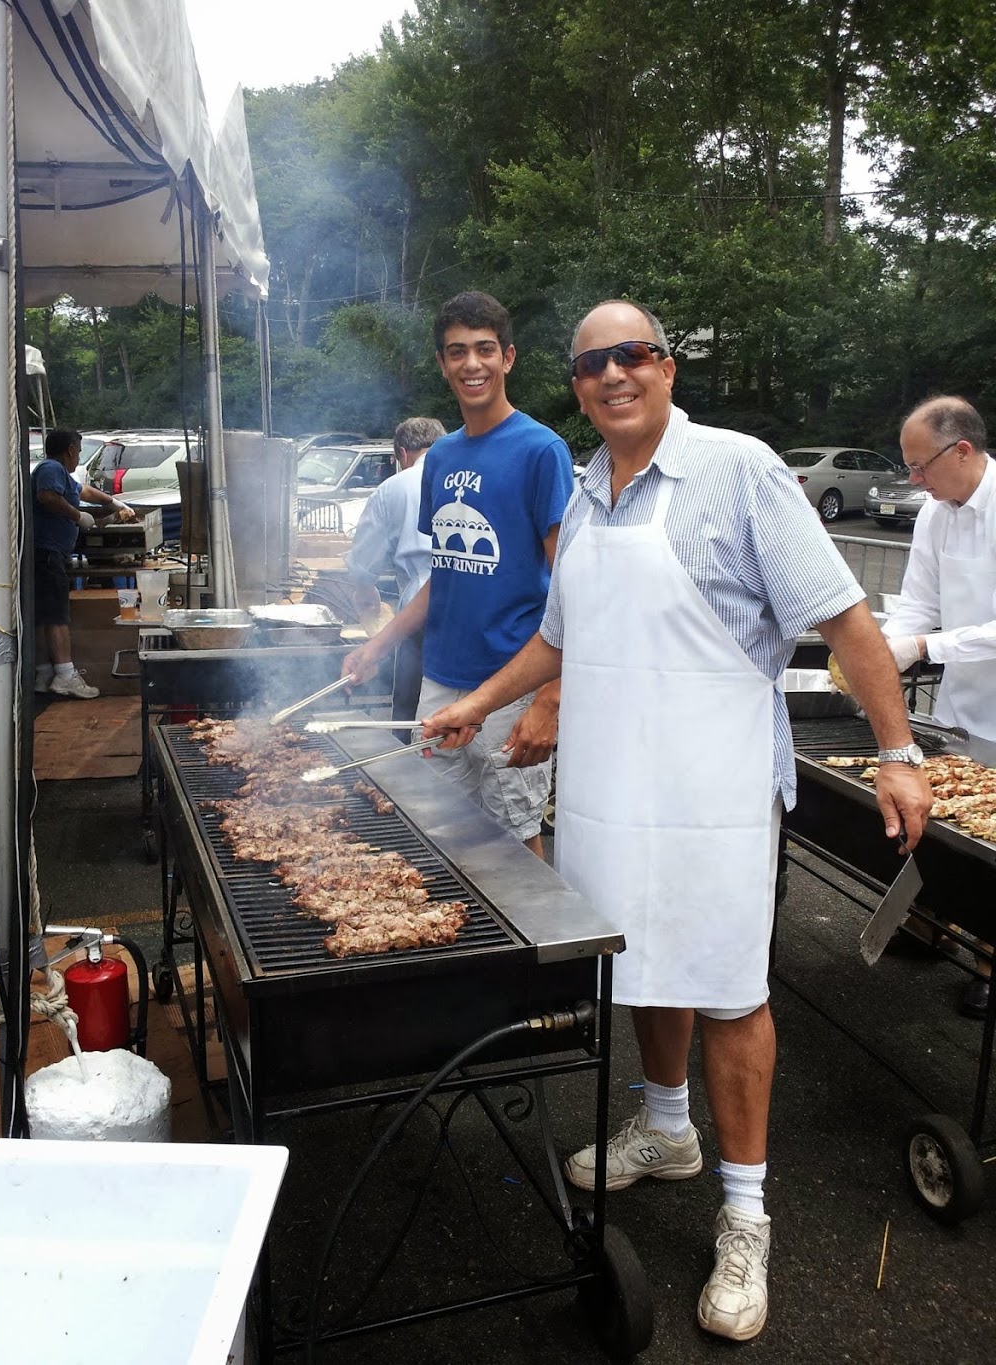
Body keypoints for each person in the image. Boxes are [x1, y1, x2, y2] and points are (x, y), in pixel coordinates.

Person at [421, 300, 933, 1342]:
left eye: (633, 356)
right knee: (639, 963)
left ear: (665, 365)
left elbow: (844, 620)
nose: (613, 375)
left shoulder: (737, 471)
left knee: (728, 987)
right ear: (575, 383)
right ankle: (665, 1131)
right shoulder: (585, 490)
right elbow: (558, 639)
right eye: (592, 364)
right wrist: (479, 702)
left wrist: (896, 752)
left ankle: (745, 1216)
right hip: (609, 791)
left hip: (709, 797)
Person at [343, 291, 575, 857]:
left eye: (484, 349)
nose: (471, 364)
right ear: (443, 363)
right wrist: (380, 642)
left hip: (512, 683)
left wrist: (551, 695)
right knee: (440, 831)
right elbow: (443, 575)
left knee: (515, 840)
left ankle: (524, 949)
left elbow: (573, 587)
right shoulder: (441, 458)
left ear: (508, 357)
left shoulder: (541, 451)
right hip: (442, 679)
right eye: (457, 352)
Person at [883, 395, 995, 1018]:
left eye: (919, 466)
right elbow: (919, 600)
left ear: (963, 451)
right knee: (953, 821)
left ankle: (988, 962)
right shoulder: (935, 511)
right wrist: (894, 646)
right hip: (962, 696)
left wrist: (926, 645)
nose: (914, 480)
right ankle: (933, 928)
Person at [344, 417, 446, 735]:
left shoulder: (394, 488)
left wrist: (365, 589)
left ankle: (407, 754)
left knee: (410, 705)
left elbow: (364, 558)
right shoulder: (464, 476)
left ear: (402, 454)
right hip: (471, 603)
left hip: (419, 611)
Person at [32, 428, 136, 700]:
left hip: (49, 554)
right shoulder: (50, 469)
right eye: (78, 450)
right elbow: (47, 497)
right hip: (47, 554)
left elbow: (85, 491)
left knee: (45, 615)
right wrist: (77, 516)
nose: (79, 456)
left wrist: (114, 502)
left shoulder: (61, 474)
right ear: (70, 449)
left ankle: (45, 673)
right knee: (56, 616)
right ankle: (66, 676)